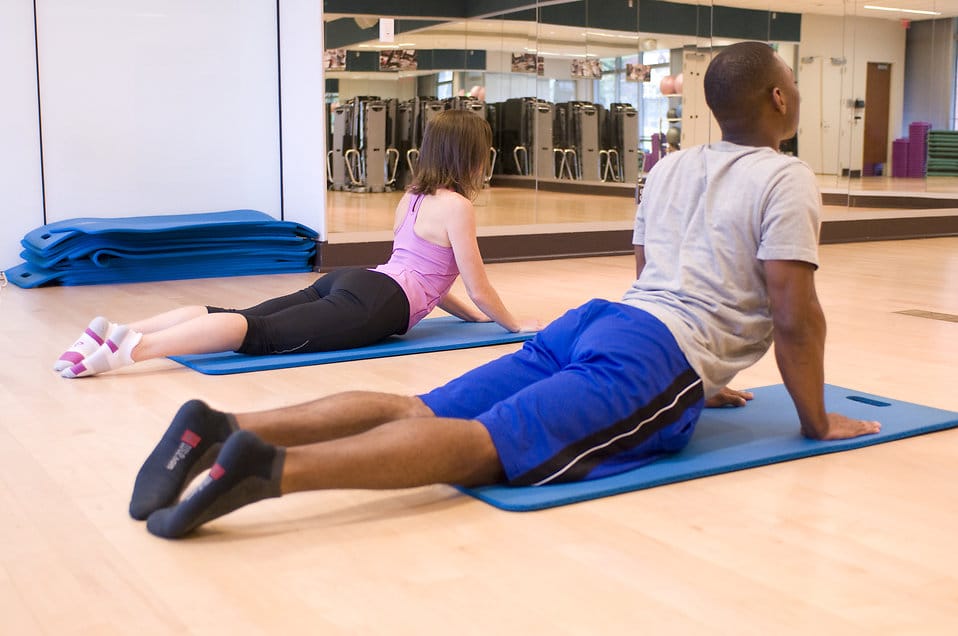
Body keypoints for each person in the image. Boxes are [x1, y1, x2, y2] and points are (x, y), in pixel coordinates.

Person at [131, 42, 882, 539]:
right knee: (490, 444)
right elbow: (795, 315)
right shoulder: (786, 177)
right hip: (651, 353)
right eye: (795, 83)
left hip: (599, 323)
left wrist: (697, 375)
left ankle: (223, 425)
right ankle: (270, 470)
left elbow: (652, 274)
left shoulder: (671, 166)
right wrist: (812, 420)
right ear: (779, 99)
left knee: (421, 409)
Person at [55, 110, 537, 378]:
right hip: (376, 303)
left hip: (356, 282)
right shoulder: (458, 206)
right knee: (257, 333)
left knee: (240, 315)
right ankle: (131, 350)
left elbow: (426, 277)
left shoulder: (412, 197)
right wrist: (514, 325)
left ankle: (117, 330)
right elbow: (477, 286)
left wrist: (473, 318)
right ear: (471, 157)